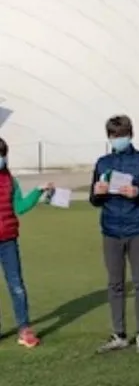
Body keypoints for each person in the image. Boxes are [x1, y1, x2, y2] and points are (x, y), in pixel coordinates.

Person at [89, 115, 139, 354]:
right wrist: (98, 192)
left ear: (130, 135)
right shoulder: (102, 163)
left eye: (121, 135)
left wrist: (138, 192)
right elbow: (94, 200)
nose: (117, 139)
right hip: (111, 230)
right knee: (115, 284)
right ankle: (119, 334)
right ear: (108, 137)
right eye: (113, 136)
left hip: (137, 228)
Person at [0, 137, 54, 348]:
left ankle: (24, 329)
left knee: (17, 286)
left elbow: (20, 207)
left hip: (8, 241)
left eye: (2, 155)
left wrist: (38, 190)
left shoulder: (10, 181)